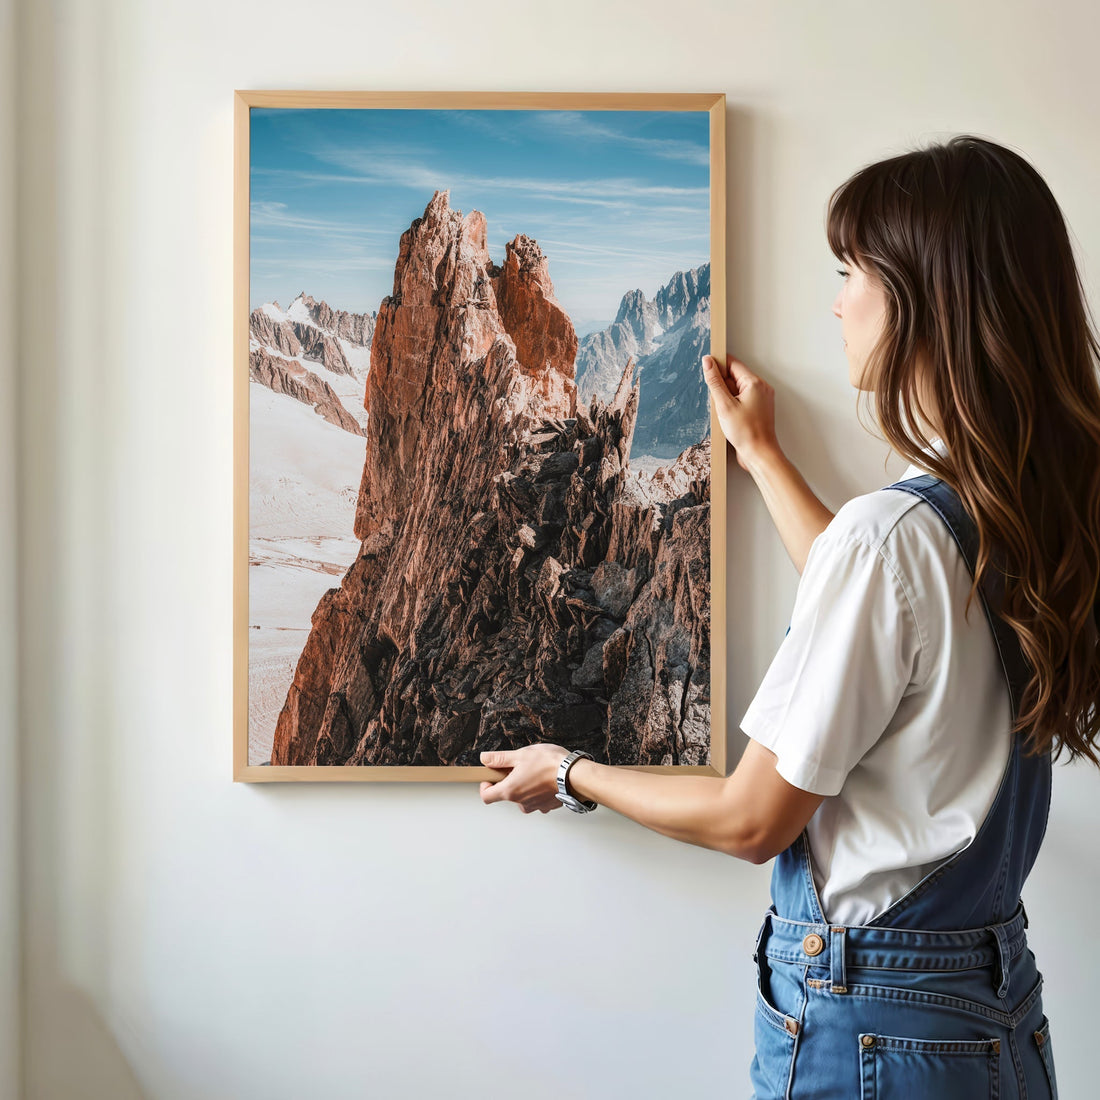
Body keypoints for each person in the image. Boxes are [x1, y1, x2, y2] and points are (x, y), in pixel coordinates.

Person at [478, 134, 1100, 1098]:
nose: (838, 300)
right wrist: (764, 456)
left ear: (925, 300)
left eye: (852, 272)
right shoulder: (1016, 508)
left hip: (874, 1030)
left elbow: (749, 818)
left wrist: (569, 772)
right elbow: (890, 625)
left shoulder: (894, 537)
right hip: (987, 1016)